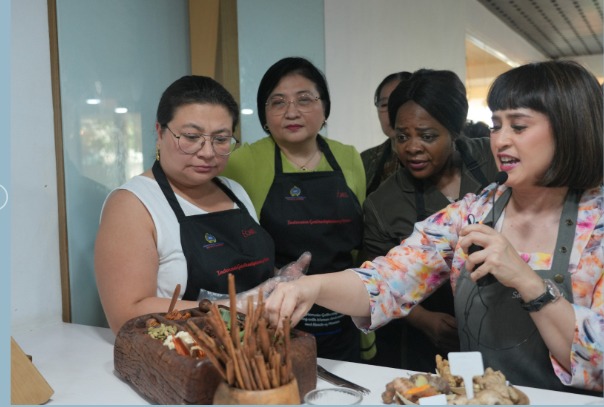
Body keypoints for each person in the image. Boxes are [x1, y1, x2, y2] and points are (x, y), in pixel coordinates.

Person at [264, 60, 603, 395]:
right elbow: (386, 281)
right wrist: (309, 288)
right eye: (496, 125)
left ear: (568, 127)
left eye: (518, 126)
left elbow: (597, 364)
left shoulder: (597, 227)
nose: (500, 141)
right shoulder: (473, 213)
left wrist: (527, 281)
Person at [95, 76, 276, 333]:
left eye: (221, 139)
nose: (207, 152)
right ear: (159, 132)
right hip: (180, 359)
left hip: (253, 354)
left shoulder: (234, 191)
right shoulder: (132, 204)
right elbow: (126, 314)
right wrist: (235, 308)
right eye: (191, 136)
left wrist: (282, 284)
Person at [222, 57, 366, 362]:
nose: (291, 112)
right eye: (278, 102)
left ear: (324, 107)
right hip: (274, 322)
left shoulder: (349, 157)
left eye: (304, 99)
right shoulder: (241, 163)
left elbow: (360, 246)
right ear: (264, 114)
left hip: (342, 318)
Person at [362, 69, 498, 370]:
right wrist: (425, 321)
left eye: (427, 136)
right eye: (402, 136)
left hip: (506, 331)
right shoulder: (383, 204)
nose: (412, 147)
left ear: (455, 129)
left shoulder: (494, 163)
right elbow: (376, 278)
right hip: (427, 349)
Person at [361, 72, 411, 195]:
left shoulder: (434, 155)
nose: (391, 112)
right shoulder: (365, 160)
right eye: (384, 105)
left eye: (399, 103)